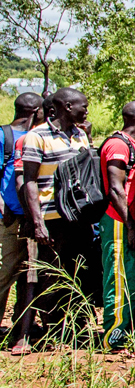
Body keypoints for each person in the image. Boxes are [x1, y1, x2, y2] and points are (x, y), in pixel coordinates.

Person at [19, 88, 94, 345]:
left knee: (79, 273)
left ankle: (77, 329)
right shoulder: (36, 136)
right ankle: (54, 329)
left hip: (78, 218)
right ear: (65, 106)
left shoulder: (80, 135)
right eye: (81, 105)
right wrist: (37, 222)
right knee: (52, 275)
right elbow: (29, 181)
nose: (86, 110)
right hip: (51, 218)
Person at [100, 101, 135, 350]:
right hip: (118, 221)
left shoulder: (133, 145)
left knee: (134, 276)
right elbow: (115, 188)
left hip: (132, 220)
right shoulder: (118, 145)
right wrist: (130, 225)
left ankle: (131, 329)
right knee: (120, 277)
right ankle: (115, 334)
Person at [0, 92, 43, 336]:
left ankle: (23, 325)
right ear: (35, 110)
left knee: (30, 275)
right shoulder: (4, 136)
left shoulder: (35, 137)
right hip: (10, 218)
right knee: (5, 272)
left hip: (31, 217)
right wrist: (3, 209)